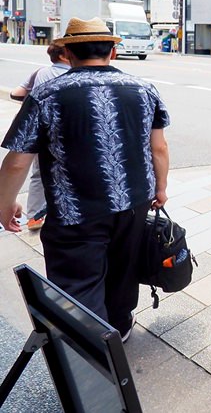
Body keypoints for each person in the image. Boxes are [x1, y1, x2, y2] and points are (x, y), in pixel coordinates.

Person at [0, 17, 169, 340]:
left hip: (75, 208)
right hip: (134, 201)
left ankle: (89, 348)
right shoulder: (143, 89)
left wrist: (4, 203)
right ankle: (119, 326)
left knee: (77, 280)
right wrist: (160, 188)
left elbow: (18, 162)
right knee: (123, 268)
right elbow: (158, 147)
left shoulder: (47, 93)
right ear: (112, 53)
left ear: (68, 53)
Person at [10, 43, 71, 230]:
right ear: (64, 55)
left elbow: (15, 93)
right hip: (68, 131)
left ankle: (34, 217)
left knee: (39, 173)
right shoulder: (75, 75)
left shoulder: (40, 72)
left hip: (41, 130)